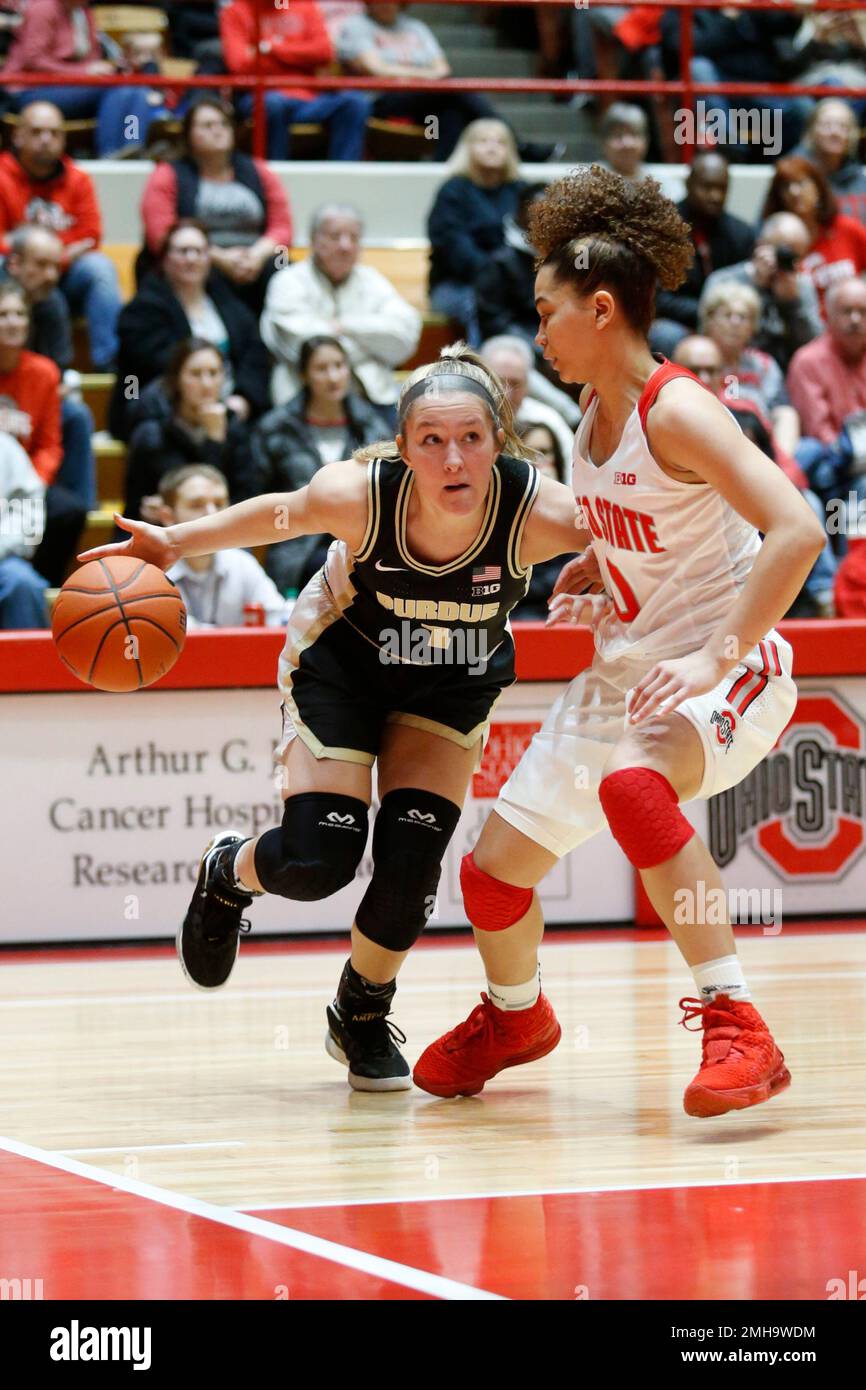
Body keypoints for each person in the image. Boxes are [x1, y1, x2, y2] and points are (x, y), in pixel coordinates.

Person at [412, 167, 825, 1115]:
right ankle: (516, 1015)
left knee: (634, 788)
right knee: (489, 876)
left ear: (601, 310)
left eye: (548, 309)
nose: (539, 328)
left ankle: (739, 1026)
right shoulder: (590, 416)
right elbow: (652, 518)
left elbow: (798, 530)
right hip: (634, 667)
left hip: (730, 663)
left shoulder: (676, 408)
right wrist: (603, 562)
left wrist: (712, 656)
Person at [78, 344, 591, 1091]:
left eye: (471, 439)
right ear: (405, 446)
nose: (453, 459)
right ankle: (229, 873)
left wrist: (620, 579)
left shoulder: (541, 510)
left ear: (499, 441)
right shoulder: (356, 493)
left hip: (451, 682)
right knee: (319, 862)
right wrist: (175, 544)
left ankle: (359, 1010)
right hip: (344, 667)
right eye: (433, 441)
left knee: (412, 866)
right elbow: (274, 517)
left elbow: (644, 539)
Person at [250, 334, 392, 596]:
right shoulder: (275, 429)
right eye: (321, 368)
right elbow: (254, 493)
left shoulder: (373, 426)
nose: (333, 376)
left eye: (339, 366)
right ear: (304, 376)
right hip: (297, 547)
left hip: (360, 542)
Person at [110, 219, 270, 441]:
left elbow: (254, 355)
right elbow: (151, 366)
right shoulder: (142, 309)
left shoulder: (228, 302)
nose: (191, 259)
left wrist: (244, 398)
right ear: (165, 258)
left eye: (199, 251)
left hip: (229, 409)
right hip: (167, 414)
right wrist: (201, 400)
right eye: (183, 251)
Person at [140, 97, 294, 314]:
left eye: (223, 124)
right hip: (200, 257)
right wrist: (220, 258)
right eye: (207, 125)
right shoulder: (168, 174)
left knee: (284, 264)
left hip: (254, 258)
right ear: (188, 134)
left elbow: (282, 227)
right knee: (201, 271)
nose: (218, 131)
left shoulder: (258, 171)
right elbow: (161, 236)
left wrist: (256, 256)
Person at [261, 203, 421, 411]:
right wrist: (372, 347)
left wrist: (344, 326)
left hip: (373, 400)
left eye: (354, 238)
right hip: (301, 401)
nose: (345, 246)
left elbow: (404, 338)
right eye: (335, 237)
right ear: (314, 241)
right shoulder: (288, 280)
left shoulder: (373, 280)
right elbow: (298, 344)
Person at [0, 101, 122, 370]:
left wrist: (48, 258)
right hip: (14, 272)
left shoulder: (79, 180)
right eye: (37, 132)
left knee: (100, 268)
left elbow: (91, 236)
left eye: (54, 133)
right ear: (18, 136)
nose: (46, 140)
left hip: (65, 270)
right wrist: (45, 255)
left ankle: (111, 366)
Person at [0, 224, 96, 512]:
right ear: (14, 264)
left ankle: (74, 505)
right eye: (41, 265)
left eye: (57, 266)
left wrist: (36, 482)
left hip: (33, 394)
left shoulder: (53, 301)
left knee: (76, 414)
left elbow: (58, 366)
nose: (52, 276)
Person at [2, 0, 171, 157]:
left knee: (135, 89)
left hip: (76, 87)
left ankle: (131, 145)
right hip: (31, 90)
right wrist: (83, 71)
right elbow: (34, 60)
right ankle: (110, 154)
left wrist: (109, 68)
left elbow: (93, 59)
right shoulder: (44, 8)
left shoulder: (84, 12)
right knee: (114, 88)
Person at [0, 279, 84, 584]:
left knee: (69, 510)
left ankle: (39, 582)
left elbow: (50, 443)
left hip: (27, 479)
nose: (13, 322)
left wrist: (34, 482)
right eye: (3, 314)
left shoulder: (44, 371)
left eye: (20, 314)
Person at [124, 339, 259, 525]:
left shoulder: (236, 429)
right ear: (176, 379)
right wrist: (148, 509)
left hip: (223, 534)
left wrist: (215, 441)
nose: (206, 383)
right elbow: (133, 507)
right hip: (163, 532)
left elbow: (246, 501)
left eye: (214, 373)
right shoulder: (152, 434)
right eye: (195, 374)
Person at [220, 0, 370, 162]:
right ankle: (274, 178)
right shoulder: (236, 10)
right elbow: (239, 64)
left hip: (309, 97)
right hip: (264, 95)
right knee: (273, 104)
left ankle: (344, 177)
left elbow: (323, 51)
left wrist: (268, 48)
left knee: (355, 102)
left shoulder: (303, 5)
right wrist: (300, 56)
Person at [427, 120, 525, 346]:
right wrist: (495, 277)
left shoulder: (520, 191)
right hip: (456, 285)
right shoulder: (453, 191)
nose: (492, 147)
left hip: (512, 283)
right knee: (482, 303)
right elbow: (453, 246)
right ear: (467, 148)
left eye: (500, 142)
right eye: (483, 141)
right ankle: (485, 374)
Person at [650, 150, 755, 358]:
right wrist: (708, 313)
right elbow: (657, 297)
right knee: (663, 334)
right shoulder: (662, 229)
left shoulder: (741, 233)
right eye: (707, 187)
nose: (715, 196)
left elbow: (748, 291)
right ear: (689, 185)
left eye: (721, 188)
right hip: (682, 323)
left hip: (732, 321)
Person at [159, 465, 290, 628]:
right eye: (196, 505)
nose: (212, 513)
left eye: (219, 503)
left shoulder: (243, 563)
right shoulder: (152, 574)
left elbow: (278, 622)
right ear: (168, 516)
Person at [699, 212, 822, 373]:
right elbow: (706, 334)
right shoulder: (723, 281)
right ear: (760, 245)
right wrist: (755, 287)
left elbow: (813, 347)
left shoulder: (802, 285)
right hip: (733, 368)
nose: (786, 262)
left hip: (785, 374)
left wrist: (792, 305)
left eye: (795, 257)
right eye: (782, 253)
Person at [787, 277, 866, 523]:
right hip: (834, 462)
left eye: (862, 312)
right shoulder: (808, 361)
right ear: (827, 315)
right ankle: (854, 558)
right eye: (847, 311)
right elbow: (820, 433)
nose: (855, 319)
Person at [699, 280, 800, 457]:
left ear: (752, 327)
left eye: (743, 317)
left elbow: (780, 411)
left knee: (805, 440)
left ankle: (780, 472)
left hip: (763, 448)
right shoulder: (697, 358)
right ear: (710, 320)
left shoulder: (763, 364)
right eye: (727, 315)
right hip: (711, 445)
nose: (735, 322)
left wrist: (779, 457)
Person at [761, 156, 866, 318]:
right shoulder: (774, 239)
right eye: (786, 186)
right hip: (799, 325)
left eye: (801, 183)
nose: (794, 192)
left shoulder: (847, 229)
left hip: (854, 323)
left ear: (818, 188)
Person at [479, 335, 577, 467]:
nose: (506, 394)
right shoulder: (465, 418)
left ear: (528, 386)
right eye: (498, 382)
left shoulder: (548, 420)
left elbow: (570, 478)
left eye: (515, 384)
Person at [511, 422, 573, 620]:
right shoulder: (494, 528)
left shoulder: (579, 521)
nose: (541, 463)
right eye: (530, 454)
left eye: (546, 452)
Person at [0, 428, 48, 629]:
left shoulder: (6, 448)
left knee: (22, 583)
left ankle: (34, 661)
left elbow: (28, 514)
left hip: (2, 559)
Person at [795, 98, 866, 227]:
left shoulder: (861, 180)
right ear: (811, 132)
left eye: (843, 126)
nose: (835, 132)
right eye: (826, 125)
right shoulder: (793, 176)